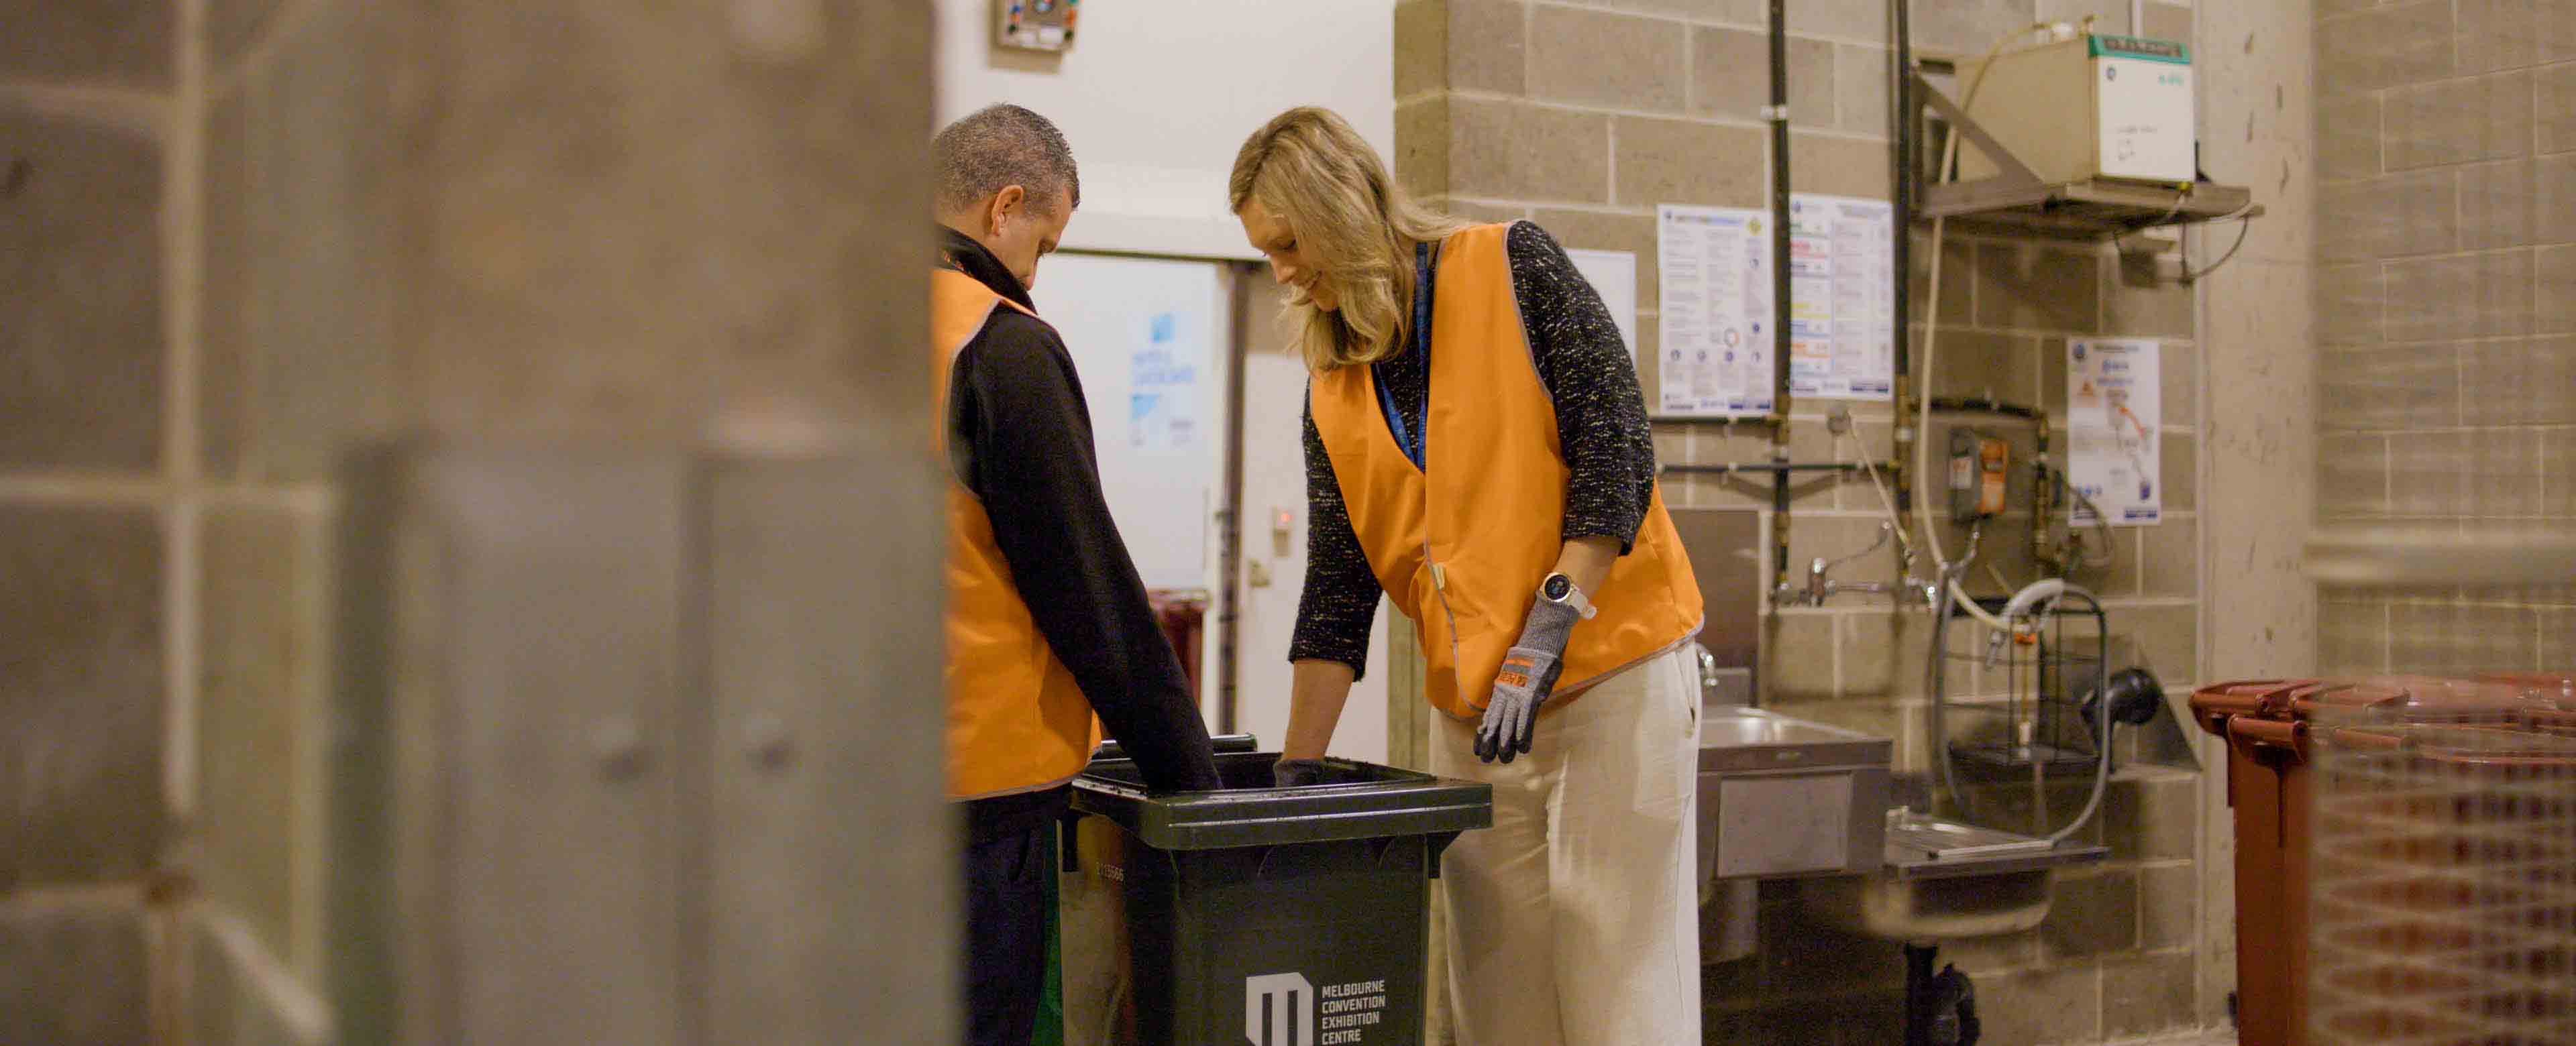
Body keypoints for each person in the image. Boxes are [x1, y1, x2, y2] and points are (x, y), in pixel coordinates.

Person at [1230, 107, 1707, 1045]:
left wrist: (1546, 632)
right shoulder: (1333, 384)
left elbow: (1617, 451)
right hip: (1478, 720)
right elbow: (1339, 587)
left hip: (1610, 683)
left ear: (1339, 207)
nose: (1281, 272)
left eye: (1287, 244)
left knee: (1620, 990)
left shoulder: (1511, 266)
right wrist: (1297, 773)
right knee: (1495, 1004)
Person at [930, 103, 1223, 1046]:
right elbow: (1083, 583)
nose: (1035, 272)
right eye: (1044, 246)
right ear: (1005, 209)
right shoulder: (996, 342)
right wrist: (1191, 773)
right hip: (970, 797)